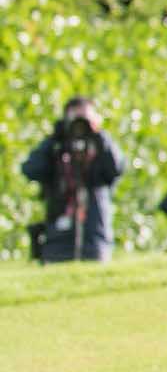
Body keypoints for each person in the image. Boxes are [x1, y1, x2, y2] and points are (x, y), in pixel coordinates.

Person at [20, 96, 127, 263]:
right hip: (57, 238)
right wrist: (53, 139)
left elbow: (117, 168)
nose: (80, 125)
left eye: (85, 119)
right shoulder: (57, 149)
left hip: (94, 237)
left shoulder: (100, 148)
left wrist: (99, 136)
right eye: (75, 119)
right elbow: (31, 169)